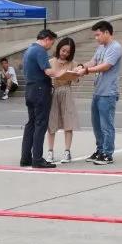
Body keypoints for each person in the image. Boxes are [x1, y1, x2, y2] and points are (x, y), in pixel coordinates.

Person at [21, 29, 66, 169]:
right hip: (40, 90)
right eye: (51, 43)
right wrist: (63, 73)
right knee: (40, 124)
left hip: (30, 89)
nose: (51, 47)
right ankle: (37, 159)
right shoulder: (40, 51)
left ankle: (25, 158)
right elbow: (48, 71)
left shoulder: (29, 50)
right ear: (47, 39)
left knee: (31, 124)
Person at [81, 20, 122, 166]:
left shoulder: (115, 47)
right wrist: (80, 67)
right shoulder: (100, 47)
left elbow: (106, 66)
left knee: (106, 125)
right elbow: (93, 62)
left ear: (106, 33)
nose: (96, 38)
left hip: (108, 92)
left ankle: (107, 154)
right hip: (98, 91)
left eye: (98, 35)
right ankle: (100, 150)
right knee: (96, 124)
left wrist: (86, 71)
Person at [46, 37, 81, 164]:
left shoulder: (73, 63)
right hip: (53, 92)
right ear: (59, 48)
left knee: (68, 122)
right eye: (63, 50)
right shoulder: (50, 61)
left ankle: (67, 151)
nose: (65, 53)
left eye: (68, 52)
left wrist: (76, 72)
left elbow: (76, 79)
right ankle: (50, 151)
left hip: (66, 91)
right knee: (51, 122)